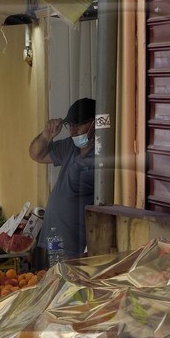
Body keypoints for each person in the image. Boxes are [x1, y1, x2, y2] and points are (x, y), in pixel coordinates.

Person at [29, 97, 97, 260]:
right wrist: (47, 135)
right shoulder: (69, 146)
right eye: (70, 125)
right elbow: (37, 154)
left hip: (76, 245)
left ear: (94, 124)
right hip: (54, 237)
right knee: (54, 279)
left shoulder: (101, 155)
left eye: (78, 125)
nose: (72, 131)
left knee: (70, 283)